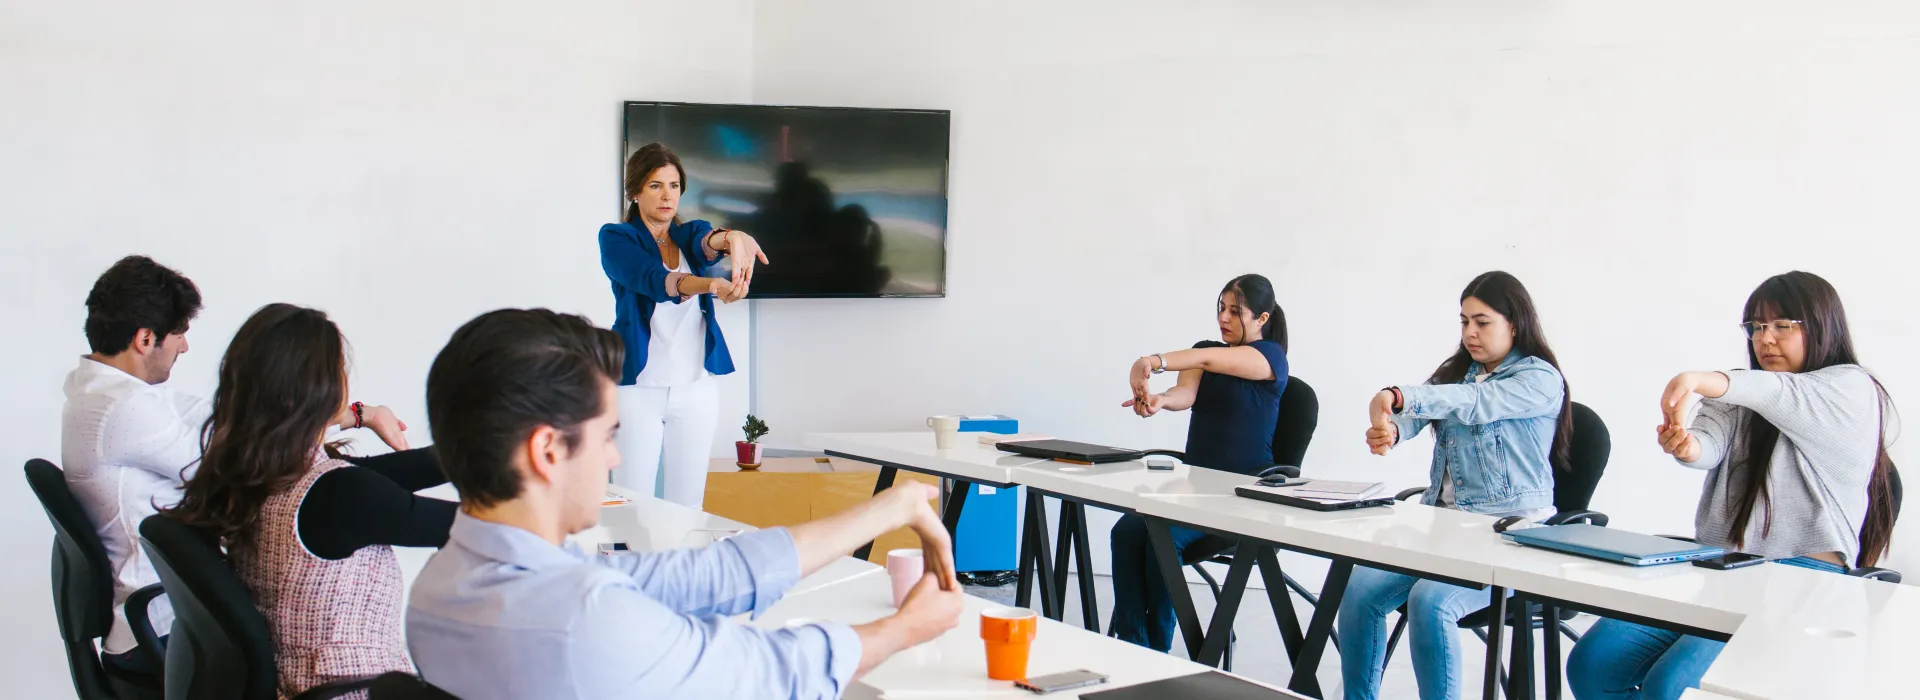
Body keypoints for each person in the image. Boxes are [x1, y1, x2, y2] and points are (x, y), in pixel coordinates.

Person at [406, 308, 963, 699]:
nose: (614, 459)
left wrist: (891, 508)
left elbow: (693, 575)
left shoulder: (443, 583)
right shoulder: (583, 619)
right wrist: (907, 628)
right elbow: (774, 674)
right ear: (548, 451)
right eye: (606, 436)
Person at [58, 256, 413, 677]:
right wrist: (356, 414)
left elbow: (235, 422)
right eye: (179, 335)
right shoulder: (123, 410)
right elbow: (254, 465)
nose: (184, 347)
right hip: (168, 631)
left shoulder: (103, 393)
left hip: (173, 617)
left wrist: (356, 415)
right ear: (145, 338)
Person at [1567, 271, 1898, 700]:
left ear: (1822, 326)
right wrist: (1686, 446)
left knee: (1672, 687)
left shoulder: (1848, 387)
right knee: (1592, 666)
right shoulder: (1742, 391)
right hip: (1720, 568)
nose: (1766, 339)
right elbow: (1709, 446)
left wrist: (1699, 379)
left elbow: (1777, 393)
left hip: (1804, 579)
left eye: (1782, 325)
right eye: (1757, 327)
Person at [162, 303, 455, 697]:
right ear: (323, 389)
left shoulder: (260, 473)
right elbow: (477, 530)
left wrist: (480, 448)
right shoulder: (338, 494)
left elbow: (388, 474)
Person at [1339, 271, 1571, 700]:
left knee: (1432, 602)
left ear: (1514, 324)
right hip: (1444, 530)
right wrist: (1391, 430)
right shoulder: (1459, 374)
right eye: (1464, 322)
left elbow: (1474, 405)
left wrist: (1399, 395)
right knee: (1359, 591)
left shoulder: (1539, 379)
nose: (1470, 333)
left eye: (1482, 322)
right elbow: (1418, 413)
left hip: (1510, 536)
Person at [1107, 274, 1289, 651]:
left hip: (1241, 498)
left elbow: (1207, 360)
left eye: (1235, 312)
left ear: (1262, 319)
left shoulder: (1269, 358)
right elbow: (1184, 393)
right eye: (1221, 308)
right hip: (1193, 491)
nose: (1224, 318)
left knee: (1161, 539)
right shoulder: (1205, 351)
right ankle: (1130, 644)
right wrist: (1159, 400)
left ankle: (1156, 651)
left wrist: (1151, 361)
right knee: (1125, 532)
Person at [600, 142, 770, 506]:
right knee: (631, 500)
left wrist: (734, 237)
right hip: (638, 389)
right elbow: (655, 280)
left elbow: (709, 241)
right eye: (655, 185)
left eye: (674, 186)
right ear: (634, 192)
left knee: (688, 504)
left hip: (695, 388)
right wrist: (710, 284)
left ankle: (682, 564)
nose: (667, 196)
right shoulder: (617, 238)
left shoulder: (689, 234)